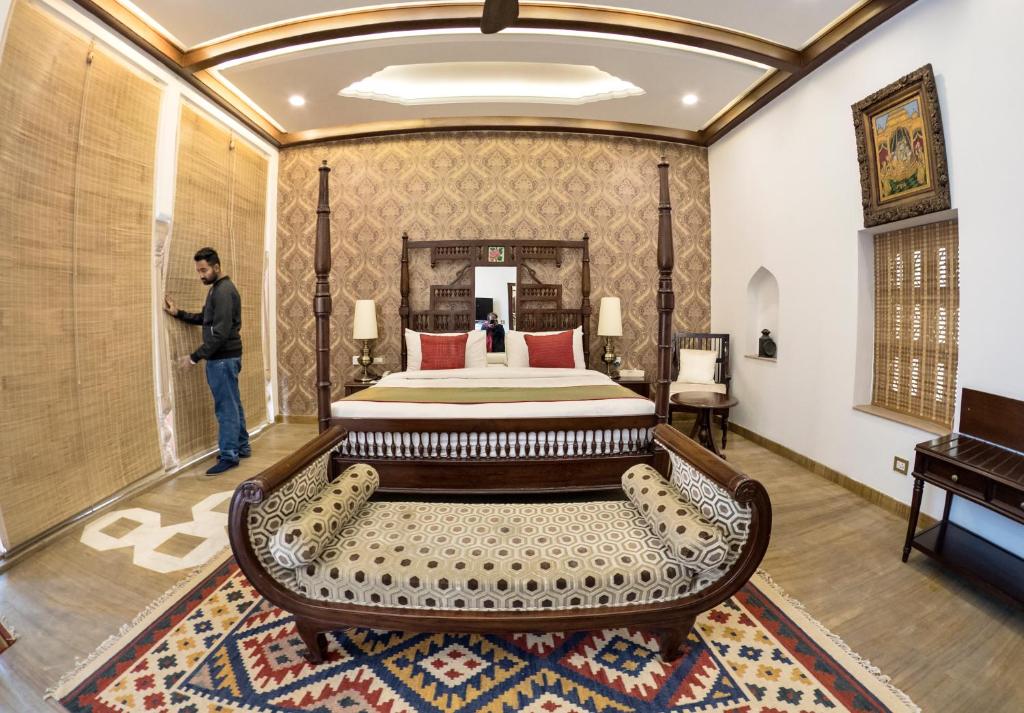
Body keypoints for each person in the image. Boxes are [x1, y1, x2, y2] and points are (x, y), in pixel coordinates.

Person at [163, 247, 250, 475]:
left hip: (223, 359)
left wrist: (193, 358)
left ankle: (229, 455)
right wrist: (179, 313)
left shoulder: (223, 291)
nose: (201, 275)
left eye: (204, 270)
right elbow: (206, 319)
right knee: (233, 403)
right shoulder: (217, 290)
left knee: (226, 408)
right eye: (198, 271)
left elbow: (219, 334)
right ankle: (242, 446)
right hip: (226, 358)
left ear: (216, 267)